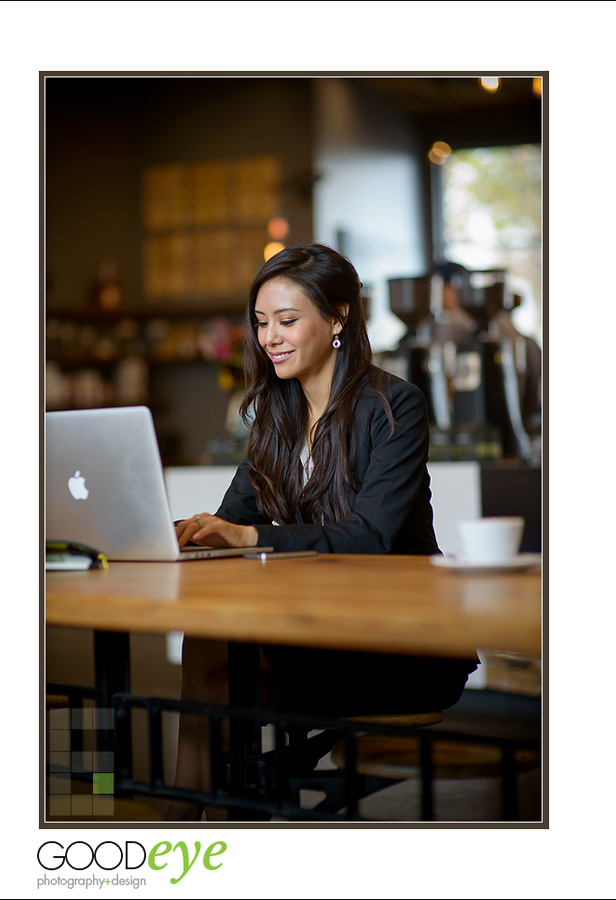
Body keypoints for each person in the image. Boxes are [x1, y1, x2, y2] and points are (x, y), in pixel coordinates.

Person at [169, 244, 477, 820]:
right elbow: (232, 520)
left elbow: (371, 538)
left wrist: (246, 538)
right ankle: (206, 819)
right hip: (321, 634)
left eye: (287, 321)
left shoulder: (393, 407)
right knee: (211, 667)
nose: (270, 338)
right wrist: (192, 531)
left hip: (400, 645)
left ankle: (196, 818)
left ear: (338, 317)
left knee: (214, 652)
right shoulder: (275, 417)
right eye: (261, 323)